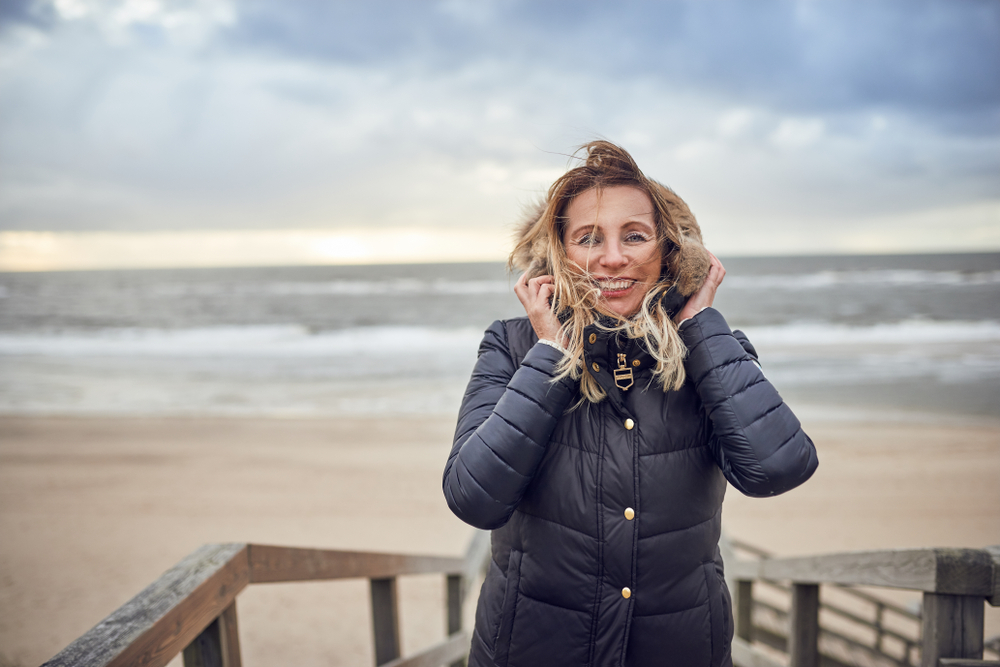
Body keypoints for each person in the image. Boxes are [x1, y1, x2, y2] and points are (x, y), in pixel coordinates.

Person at [442, 141, 818, 667]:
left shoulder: (711, 352)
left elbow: (778, 468)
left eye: (635, 236)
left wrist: (700, 329)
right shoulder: (513, 345)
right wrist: (551, 355)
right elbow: (473, 498)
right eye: (588, 238)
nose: (613, 258)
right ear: (559, 255)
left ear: (670, 252)